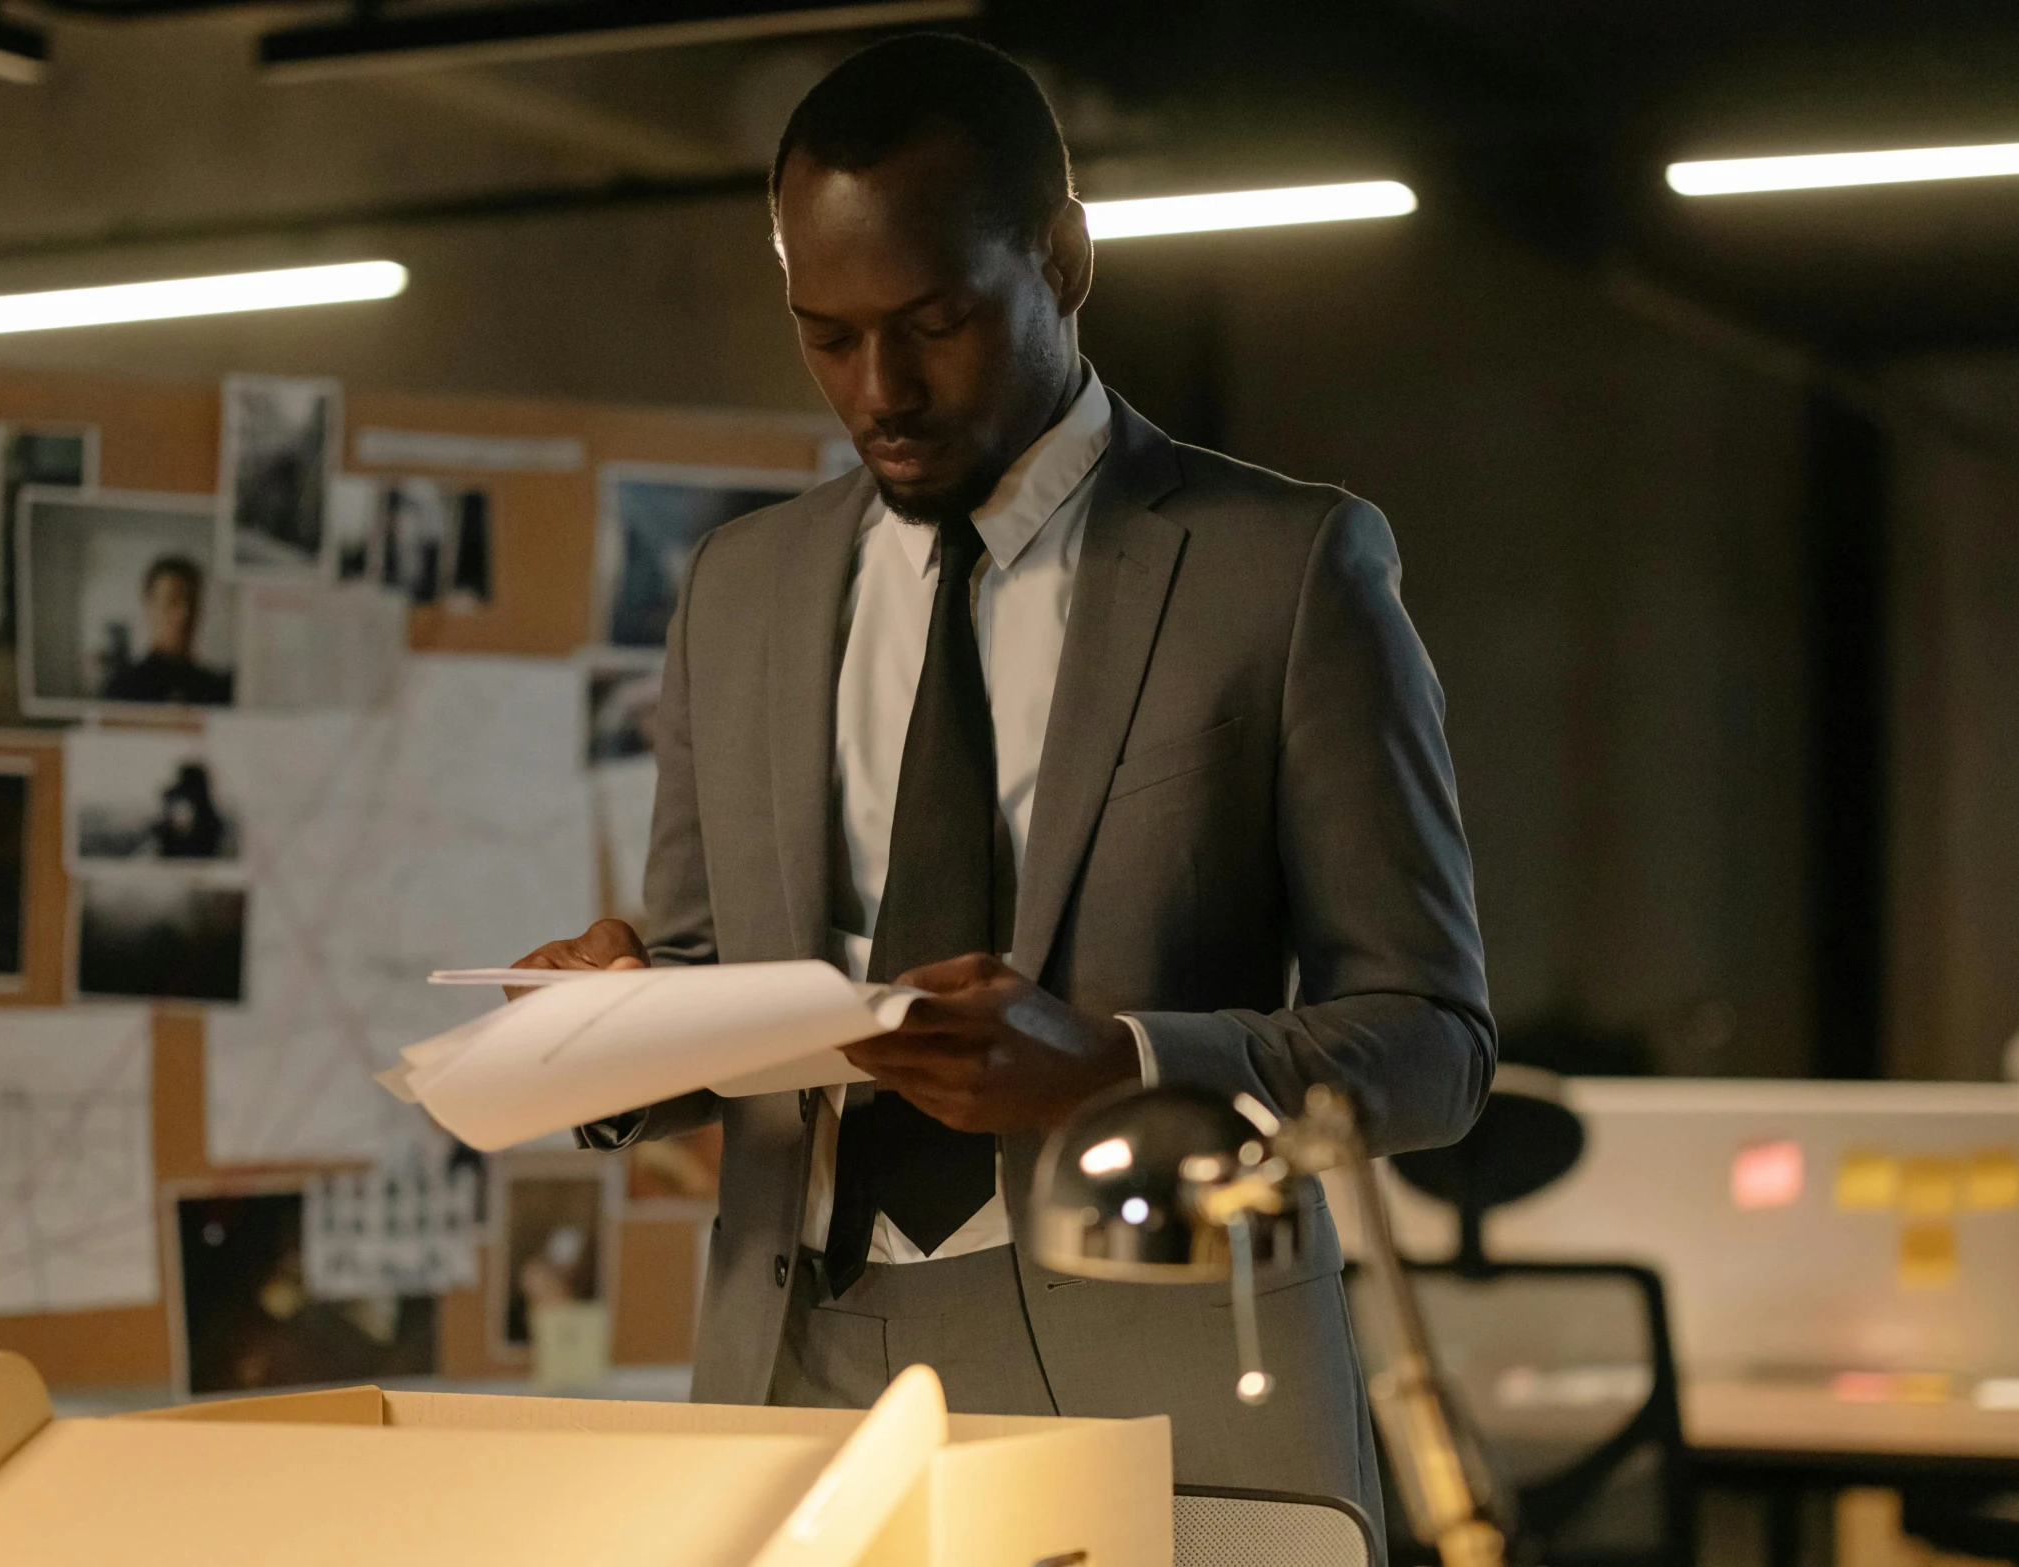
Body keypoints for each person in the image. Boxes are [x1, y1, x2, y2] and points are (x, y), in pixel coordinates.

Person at [511, 34, 1493, 1532]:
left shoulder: (1283, 569)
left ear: (1064, 257)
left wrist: (1115, 1061)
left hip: (1165, 1356)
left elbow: (1431, 1047)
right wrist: (615, 1023)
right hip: (797, 1363)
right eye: (825, 335)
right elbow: (720, 978)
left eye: (935, 321)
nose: (878, 388)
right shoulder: (742, 585)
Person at [99, 555, 233, 705]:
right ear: (149, 605)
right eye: (172, 601)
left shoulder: (217, 689)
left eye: (191, 600)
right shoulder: (123, 689)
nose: (184, 613)